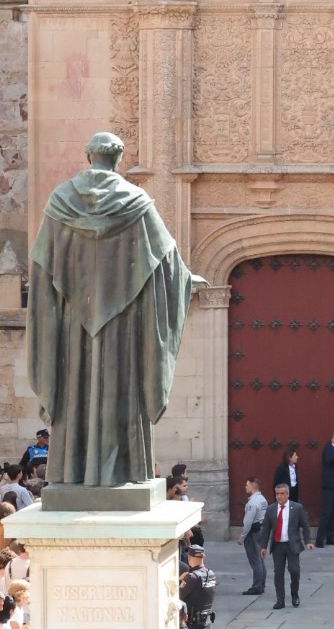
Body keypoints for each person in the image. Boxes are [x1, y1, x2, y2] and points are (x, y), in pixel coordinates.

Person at [27, 132, 203, 487]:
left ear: (89, 157)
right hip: (123, 328)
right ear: (118, 159)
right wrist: (186, 279)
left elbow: (41, 264)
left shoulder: (60, 203)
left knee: (77, 385)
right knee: (120, 388)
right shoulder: (136, 202)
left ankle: (73, 472)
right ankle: (121, 471)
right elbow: (165, 259)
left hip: (73, 327)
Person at [259, 480, 314, 609]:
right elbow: (266, 529)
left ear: (287, 494)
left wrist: (308, 541)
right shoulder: (271, 509)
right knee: (278, 573)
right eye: (277, 494)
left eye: (282, 494)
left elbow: (305, 525)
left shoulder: (297, 508)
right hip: (277, 545)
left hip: (292, 544)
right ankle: (280, 600)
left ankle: (294, 594)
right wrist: (263, 546)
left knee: (294, 571)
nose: (279, 496)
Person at [316, 431, 334, 547]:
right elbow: (328, 459)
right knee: (326, 513)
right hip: (330, 487)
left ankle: (330, 538)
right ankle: (319, 540)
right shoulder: (329, 449)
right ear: (332, 439)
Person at [240, 476, 267, 596]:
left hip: (253, 532)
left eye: (247, 484)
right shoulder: (263, 499)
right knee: (260, 559)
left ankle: (257, 586)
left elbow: (248, 522)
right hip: (261, 530)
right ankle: (261, 584)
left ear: (252, 485)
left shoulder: (252, 503)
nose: (245, 487)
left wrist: (242, 537)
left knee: (255, 560)